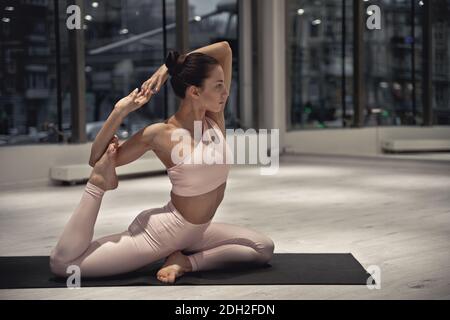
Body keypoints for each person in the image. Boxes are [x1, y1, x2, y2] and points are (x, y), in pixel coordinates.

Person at [49, 41, 275, 284]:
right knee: (65, 265)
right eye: (218, 86)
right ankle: (98, 185)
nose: (226, 92)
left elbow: (225, 49)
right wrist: (120, 111)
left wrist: (167, 68)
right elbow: (96, 158)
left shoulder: (213, 119)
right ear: (195, 92)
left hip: (198, 231)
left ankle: (185, 262)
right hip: (163, 233)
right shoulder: (160, 134)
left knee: (262, 248)